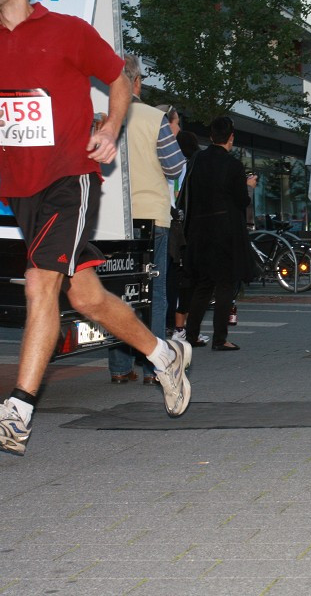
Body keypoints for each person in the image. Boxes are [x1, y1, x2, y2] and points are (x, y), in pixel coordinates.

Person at [0, 0, 192, 454]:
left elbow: (118, 80)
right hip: (20, 188)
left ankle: (17, 414)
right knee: (85, 295)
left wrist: (109, 129)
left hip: (70, 177)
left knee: (39, 281)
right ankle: (166, 356)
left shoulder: (67, 30)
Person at [108, 56, 186, 386]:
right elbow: (175, 167)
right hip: (152, 217)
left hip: (112, 219)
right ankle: (155, 368)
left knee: (116, 294)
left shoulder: (102, 117)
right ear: (137, 82)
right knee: (154, 294)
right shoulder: (155, 118)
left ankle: (120, 367)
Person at [182, 116, 254, 352]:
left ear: (211, 136)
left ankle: (190, 334)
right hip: (225, 229)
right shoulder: (233, 164)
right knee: (224, 283)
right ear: (231, 137)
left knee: (203, 283)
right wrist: (248, 186)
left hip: (200, 229)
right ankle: (220, 338)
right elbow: (241, 200)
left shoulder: (197, 159)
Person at [170, 130, 210, 346]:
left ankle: (178, 328)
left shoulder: (177, 164)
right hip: (185, 229)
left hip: (174, 224)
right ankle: (181, 329)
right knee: (189, 280)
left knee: (179, 279)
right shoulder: (188, 166)